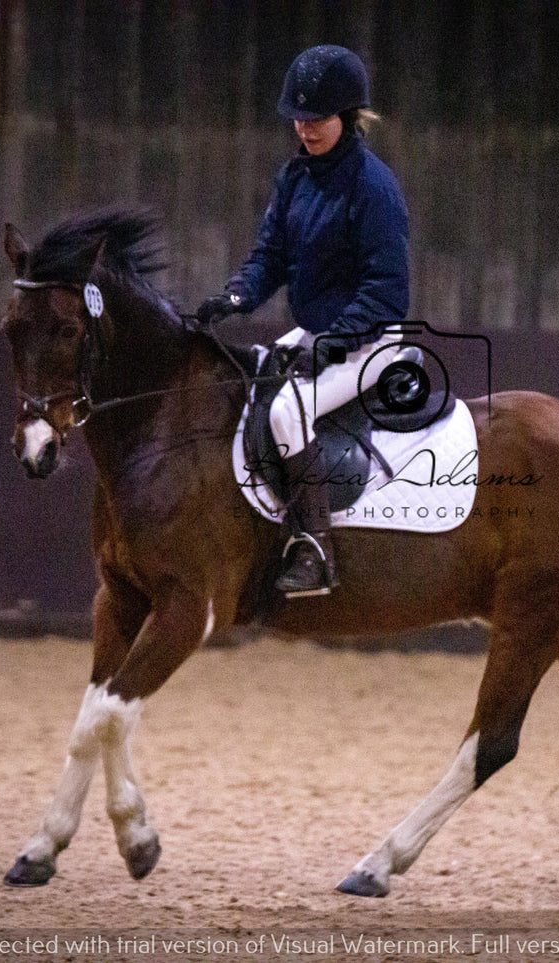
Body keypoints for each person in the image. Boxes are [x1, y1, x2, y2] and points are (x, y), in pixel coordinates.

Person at [197, 44, 410, 599]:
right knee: (250, 384)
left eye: (316, 119)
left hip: (372, 340)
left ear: (348, 116)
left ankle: (316, 548)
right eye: (298, 116)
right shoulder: (295, 176)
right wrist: (237, 296)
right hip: (319, 332)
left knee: (289, 412)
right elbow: (270, 256)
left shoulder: (374, 188)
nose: (305, 128)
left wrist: (337, 342)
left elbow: (387, 294)